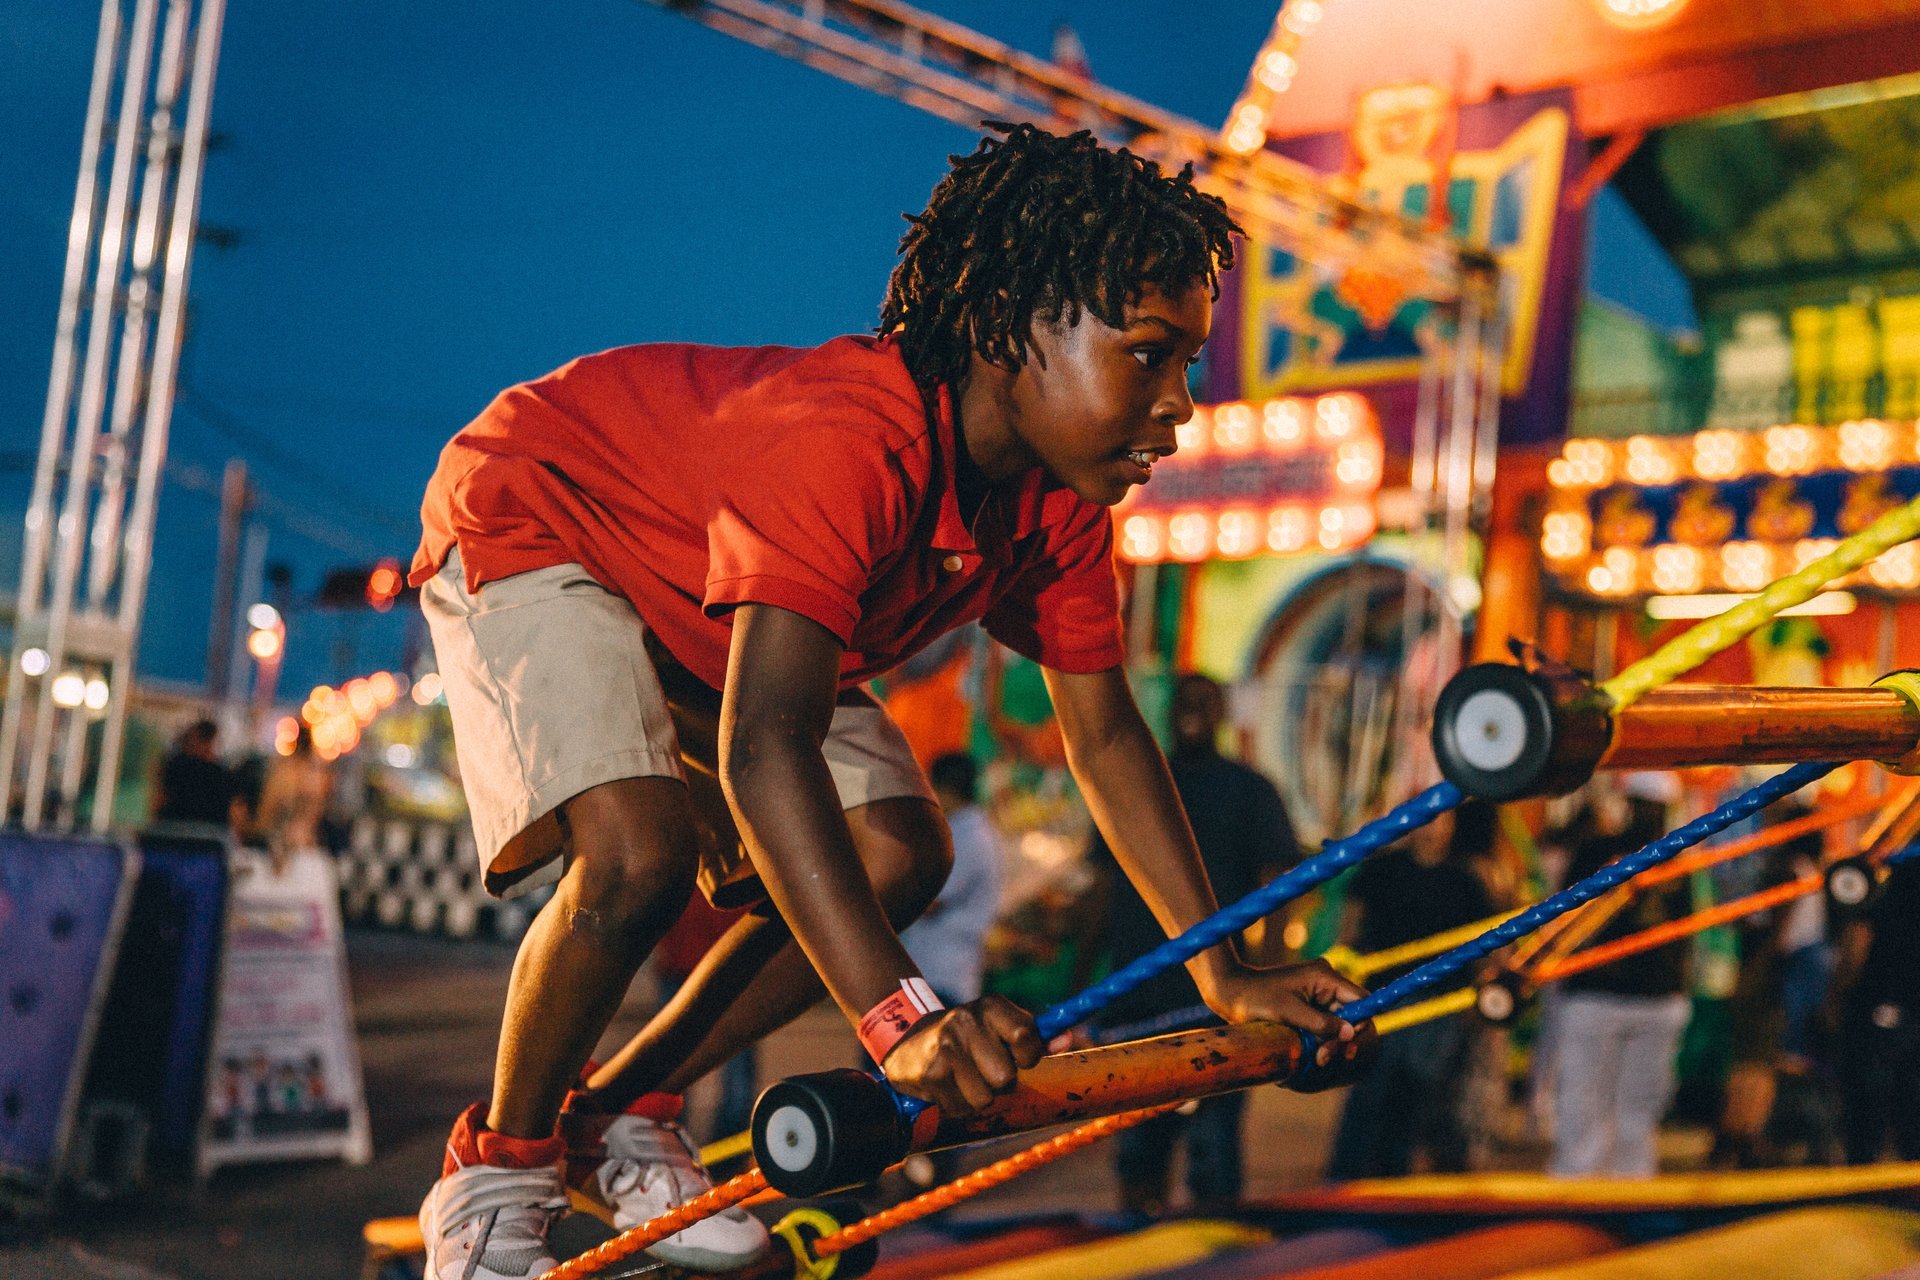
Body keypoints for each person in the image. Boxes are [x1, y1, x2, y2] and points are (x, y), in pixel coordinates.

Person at [407, 124, 1369, 1280]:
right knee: (638, 848)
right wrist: (899, 1019)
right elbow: (766, 745)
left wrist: (1221, 969)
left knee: (902, 848)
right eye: (1150, 355)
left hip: (699, 591)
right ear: (1013, 325)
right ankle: (495, 1163)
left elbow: (1106, 737)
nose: (1181, 404)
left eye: (1190, 366)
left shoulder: (1060, 512)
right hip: (545, 510)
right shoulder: (851, 441)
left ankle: (618, 1113)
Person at [1089, 671, 1301, 1214]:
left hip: (1219, 1004)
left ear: (1223, 712)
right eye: (1185, 700)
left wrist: (1272, 978)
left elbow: (1280, 889)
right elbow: (1102, 889)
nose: (1193, 711)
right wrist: (1084, 979)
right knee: (1138, 1156)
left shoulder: (1250, 789)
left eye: (1206, 702)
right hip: (1139, 998)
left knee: (1215, 1159)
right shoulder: (1136, 783)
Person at [1326, 801, 1496, 1180]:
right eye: (1424, 819)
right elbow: (1349, 932)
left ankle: (1393, 1178)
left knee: (1416, 1099)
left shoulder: (1466, 880)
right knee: (1368, 1090)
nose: (1432, 828)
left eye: (1440, 820)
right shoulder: (1381, 870)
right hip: (1383, 1001)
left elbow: (1487, 945)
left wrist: (1482, 999)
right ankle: (1344, 1181)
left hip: (1438, 1008)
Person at [1547, 773, 1692, 1179]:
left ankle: (1618, 1194)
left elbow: (1683, 931)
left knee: (1625, 1113)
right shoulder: (1608, 853)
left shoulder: (1674, 859)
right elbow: (1564, 920)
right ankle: (1583, 1194)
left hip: (1643, 999)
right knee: (1594, 1110)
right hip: (1606, 995)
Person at [1833, 858, 1920, 1163]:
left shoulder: (1893, 889)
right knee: (1910, 1105)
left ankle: (1865, 1176)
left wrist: (1836, 996)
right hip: (1908, 1010)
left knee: (1868, 1102)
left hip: (1879, 1008)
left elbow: (1858, 942)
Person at [152, 718, 234, 827]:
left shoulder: (176, 764)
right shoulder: (223, 773)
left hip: (173, 830)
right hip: (211, 835)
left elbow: (160, 798)